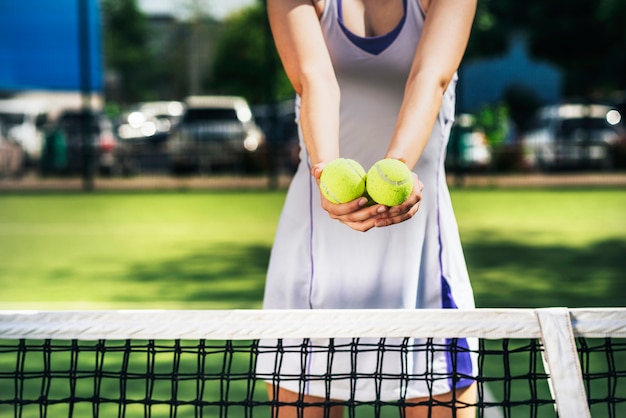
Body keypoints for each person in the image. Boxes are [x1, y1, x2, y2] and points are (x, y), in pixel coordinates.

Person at [258, 0, 478, 416]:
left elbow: (431, 77)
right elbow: (313, 78)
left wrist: (396, 166)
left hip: (423, 262)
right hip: (313, 259)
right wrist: (328, 176)